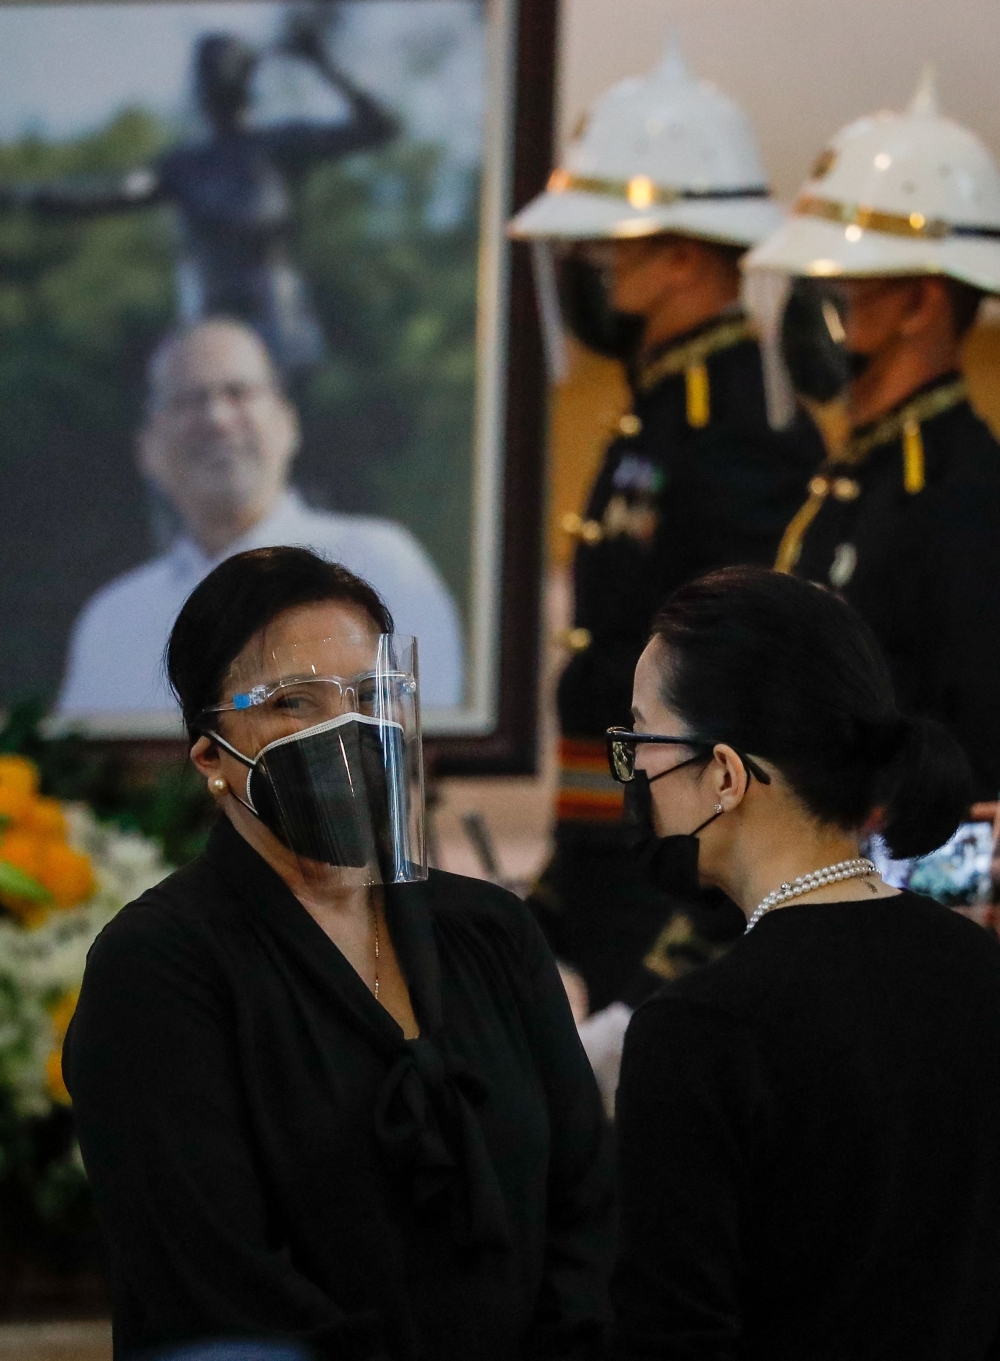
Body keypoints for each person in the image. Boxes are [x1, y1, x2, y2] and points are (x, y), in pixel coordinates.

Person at [63, 546, 613, 1361]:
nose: (345, 728)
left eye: (369, 696)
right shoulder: (158, 967)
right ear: (213, 755)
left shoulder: (492, 930)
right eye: (293, 702)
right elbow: (215, 1278)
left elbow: (588, 1200)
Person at [610, 564, 1000, 1360]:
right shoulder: (980, 966)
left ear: (723, 772)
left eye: (640, 739)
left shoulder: (698, 1032)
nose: (635, 773)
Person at [508, 50, 821, 1021]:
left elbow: (752, 678)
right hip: (615, 850)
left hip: (676, 869)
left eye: (607, 249)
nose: (586, 273)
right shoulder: (663, 409)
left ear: (683, 256)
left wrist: (705, 913)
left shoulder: (734, 420)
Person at [747, 70, 1000, 802]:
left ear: (920, 301)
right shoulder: (859, 476)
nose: (807, 309)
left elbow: (980, 760)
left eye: (836, 284)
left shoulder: (965, 496)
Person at [57, 320, 463, 715]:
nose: (216, 418)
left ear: (288, 422)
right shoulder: (112, 619)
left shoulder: (378, 562)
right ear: (146, 447)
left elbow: (417, 741)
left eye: (239, 392)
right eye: (188, 400)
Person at [0, 22, 397, 372]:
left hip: (279, 314)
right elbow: (110, 193)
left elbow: (379, 128)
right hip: (212, 314)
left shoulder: (280, 145)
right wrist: (26, 196)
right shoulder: (184, 167)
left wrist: (323, 62)